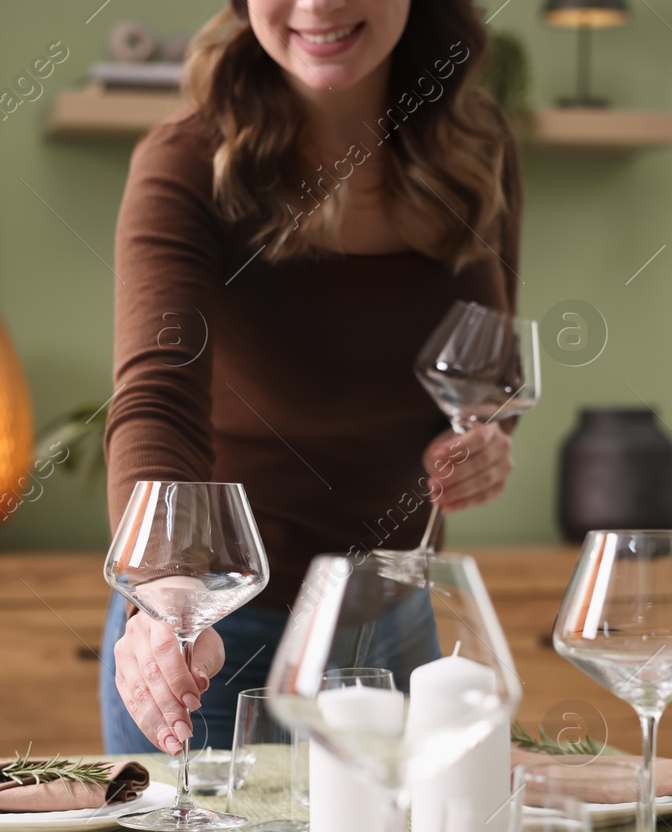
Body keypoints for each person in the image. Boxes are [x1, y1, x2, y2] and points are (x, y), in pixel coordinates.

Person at [101, 0, 522, 756]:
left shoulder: (478, 146)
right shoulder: (188, 162)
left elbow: (487, 367)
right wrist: (166, 601)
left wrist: (483, 438)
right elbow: (157, 397)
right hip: (219, 622)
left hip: (398, 616)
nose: (318, 4)